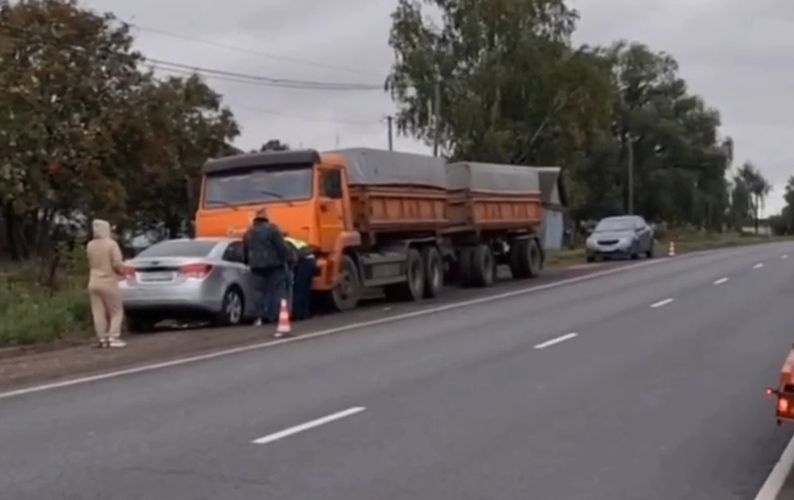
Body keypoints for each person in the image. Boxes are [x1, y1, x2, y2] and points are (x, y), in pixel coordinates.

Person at [243, 208, 290, 330]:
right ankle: (274, 316)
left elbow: (246, 250)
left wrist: (247, 262)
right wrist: (288, 258)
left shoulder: (249, 232)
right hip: (274, 265)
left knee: (258, 292)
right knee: (276, 290)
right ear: (266, 218)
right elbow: (281, 247)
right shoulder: (272, 230)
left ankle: (259, 317)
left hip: (256, 266)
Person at [86, 219, 126, 348]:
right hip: (108, 281)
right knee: (116, 311)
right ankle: (113, 336)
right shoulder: (111, 244)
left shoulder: (90, 245)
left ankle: (101, 338)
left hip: (93, 281)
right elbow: (117, 263)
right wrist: (122, 272)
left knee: (98, 312)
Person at [284, 236, 316, 321]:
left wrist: (291, 268)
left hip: (304, 261)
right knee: (305, 288)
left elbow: (293, 257)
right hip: (311, 259)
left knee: (299, 288)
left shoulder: (286, 243)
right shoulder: (292, 239)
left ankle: (298, 314)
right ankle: (305, 313)